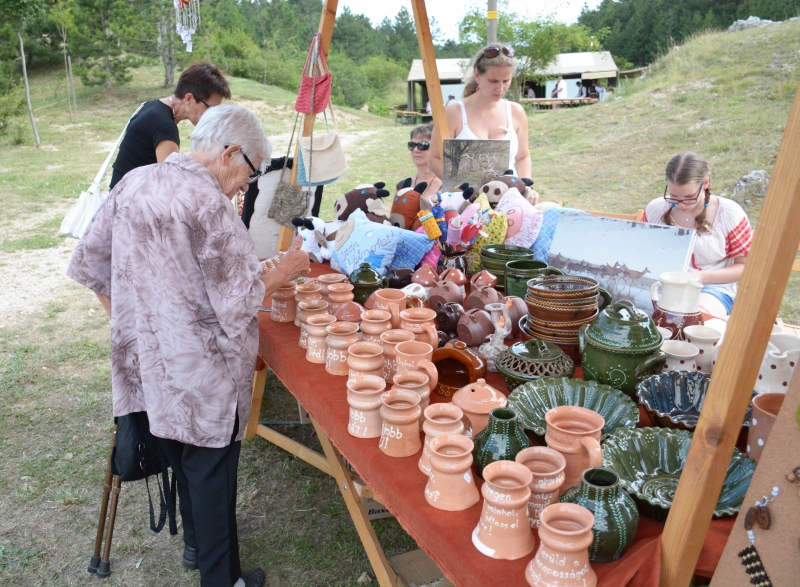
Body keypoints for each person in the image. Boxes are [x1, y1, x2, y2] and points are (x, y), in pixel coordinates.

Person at [67, 105, 310, 587]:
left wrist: (137, 326)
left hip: (151, 371)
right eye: (250, 173)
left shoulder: (134, 182)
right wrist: (283, 271)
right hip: (205, 382)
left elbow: (89, 266)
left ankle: (197, 546)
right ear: (230, 153)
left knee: (185, 463)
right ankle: (223, 579)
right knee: (212, 478)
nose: (247, 185)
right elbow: (241, 300)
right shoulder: (209, 204)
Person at [642, 152, 752, 318]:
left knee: (688, 320)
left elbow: (746, 267)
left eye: (689, 197)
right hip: (661, 286)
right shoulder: (656, 209)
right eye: (674, 196)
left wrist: (701, 276)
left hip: (711, 289)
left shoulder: (728, 213)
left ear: (705, 183)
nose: (681, 204)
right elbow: (641, 251)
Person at [109, 61, 231, 190]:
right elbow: (172, 184)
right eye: (210, 108)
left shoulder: (153, 106)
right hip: (126, 201)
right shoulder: (164, 125)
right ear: (189, 99)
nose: (212, 115)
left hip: (122, 194)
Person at [429, 44, 532, 184]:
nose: (500, 88)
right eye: (493, 81)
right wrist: (461, 187)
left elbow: (522, 157)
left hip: (510, 196)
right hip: (465, 199)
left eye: (506, 81)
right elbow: (434, 158)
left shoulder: (516, 111)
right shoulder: (454, 112)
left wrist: (527, 186)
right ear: (477, 75)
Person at [399, 123, 442, 200]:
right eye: (412, 145)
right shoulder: (402, 185)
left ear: (437, 148)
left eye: (423, 145)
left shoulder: (448, 186)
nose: (415, 150)